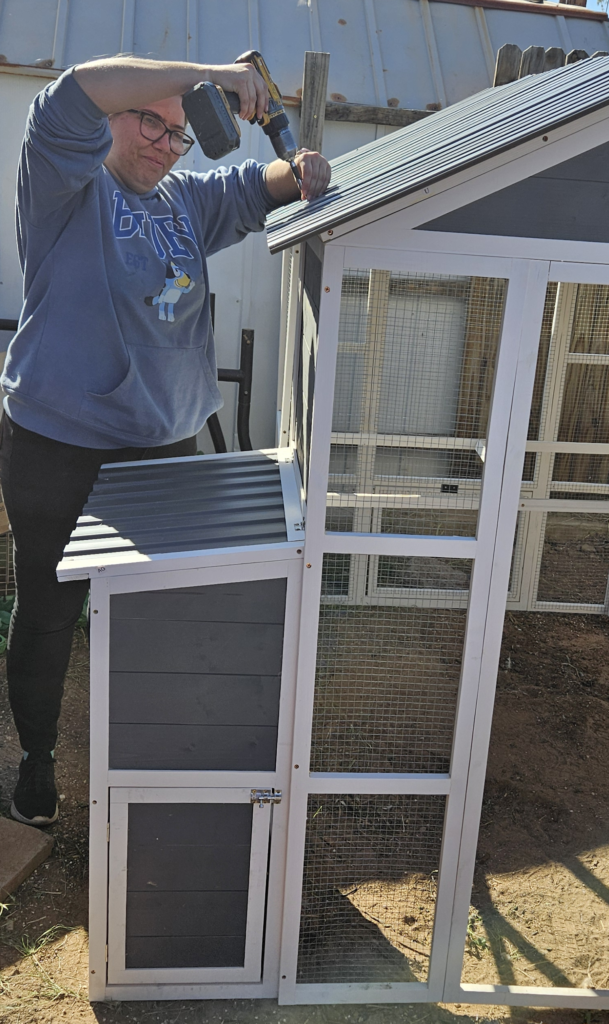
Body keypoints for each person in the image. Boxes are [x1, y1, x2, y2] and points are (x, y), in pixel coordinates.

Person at [0, 54, 330, 826]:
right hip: (57, 442)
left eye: (179, 133)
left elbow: (255, 189)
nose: (163, 141)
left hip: (161, 447)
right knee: (49, 609)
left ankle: (151, 771)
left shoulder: (185, 201)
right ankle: (37, 761)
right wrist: (209, 76)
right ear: (113, 118)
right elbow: (73, 92)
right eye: (149, 118)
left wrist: (299, 169)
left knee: (158, 615)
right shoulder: (63, 186)